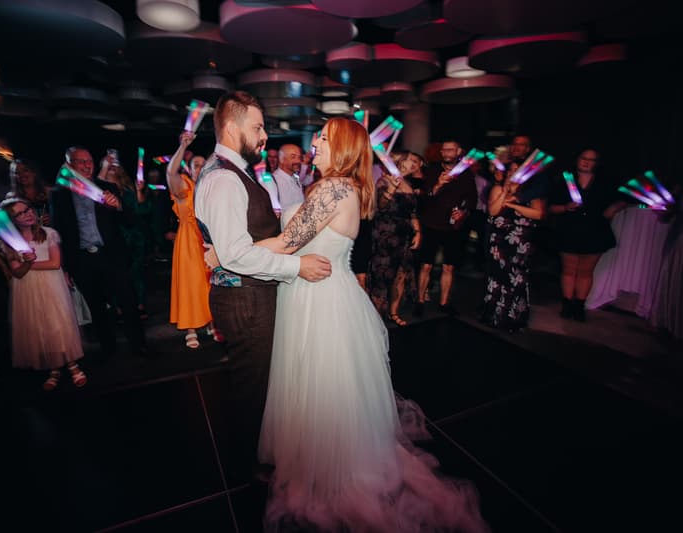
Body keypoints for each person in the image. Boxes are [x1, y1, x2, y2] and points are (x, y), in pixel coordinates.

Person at [229, 118, 488, 532]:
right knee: (323, 384)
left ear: (345, 148)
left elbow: (287, 242)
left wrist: (226, 252)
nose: (315, 142)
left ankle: (327, 470)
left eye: (324, 137)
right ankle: (321, 459)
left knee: (319, 383)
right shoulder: (343, 186)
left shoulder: (333, 187)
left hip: (320, 298)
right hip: (323, 289)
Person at [193, 91, 332, 480]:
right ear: (233, 127)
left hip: (247, 295)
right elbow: (236, 255)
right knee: (251, 386)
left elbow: (233, 245)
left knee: (254, 381)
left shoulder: (232, 172)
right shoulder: (222, 178)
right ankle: (247, 468)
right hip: (244, 298)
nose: (263, 137)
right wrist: (296, 265)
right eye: (257, 128)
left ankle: (252, 455)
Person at [49, 147, 147, 358]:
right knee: (98, 307)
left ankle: (139, 346)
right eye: (80, 161)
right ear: (70, 165)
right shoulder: (59, 195)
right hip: (82, 259)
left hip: (111, 255)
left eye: (89, 161)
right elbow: (58, 232)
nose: (86, 165)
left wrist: (118, 205)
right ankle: (108, 349)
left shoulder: (106, 187)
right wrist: (65, 267)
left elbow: (131, 221)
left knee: (128, 302)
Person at [0, 198, 87, 390]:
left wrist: (29, 263)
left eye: (28, 209)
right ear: (12, 220)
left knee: (58, 324)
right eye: (20, 213)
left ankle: (72, 365)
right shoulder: (8, 242)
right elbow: (17, 272)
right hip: (27, 289)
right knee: (40, 327)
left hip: (51, 285)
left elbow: (54, 263)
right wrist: (26, 263)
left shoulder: (49, 234)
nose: (28, 214)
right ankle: (54, 368)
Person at [548, 149, 627, 321]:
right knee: (569, 269)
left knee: (585, 271)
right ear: (577, 159)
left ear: (596, 163)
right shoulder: (564, 180)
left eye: (591, 160)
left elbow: (624, 197)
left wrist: (614, 208)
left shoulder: (605, 182)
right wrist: (564, 207)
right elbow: (550, 208)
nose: (586, 162)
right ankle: (567, 305)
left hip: (595, 230)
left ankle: (579, 306)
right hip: (569, 229)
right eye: (584, 158)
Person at [480, 164, 547, 332]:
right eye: (510, 170)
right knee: (498, 277)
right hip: (500, 242)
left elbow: (538, 214)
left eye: (517, 170)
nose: (513, 173)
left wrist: (513, 205)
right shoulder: (498, 188)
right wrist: (504, 193)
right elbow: (493, 211)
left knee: (517, 279)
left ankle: (513, 319)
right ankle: (494, 317)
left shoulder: (530, 192)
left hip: (521, 244)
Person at [166, 131, 218, 349]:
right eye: (195, 165)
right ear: (189, 168)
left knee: (210, 282)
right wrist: (183, 146)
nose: (199, 168)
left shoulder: (210, 187)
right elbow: (170, 172)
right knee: (190, 282)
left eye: (202, 165)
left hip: (208, 238)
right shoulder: (184, 187)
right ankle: (190, 327)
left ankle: (211, 322)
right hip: (188, 240)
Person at [415, 140, 477, 316]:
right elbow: (424, 198)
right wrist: (438, 185)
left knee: (449, 267)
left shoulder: (466, 174)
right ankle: (420, 301)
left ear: (459, 152)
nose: (446, 152)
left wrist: (463, 212)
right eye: (444, 149)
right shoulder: (433, 170)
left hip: (453, 227)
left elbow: (473, 200)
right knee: (426, 265)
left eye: (451, 149)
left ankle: (443, 303)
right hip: (431, 224)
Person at [650, 152, 683, 345]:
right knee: (674, 280)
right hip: (677, 241)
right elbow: (667, 217)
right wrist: (661, 210)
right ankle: (670, 325)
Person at [96, 152, 150, 321]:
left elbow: (141, 211)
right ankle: (119, 306)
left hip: (134, 237)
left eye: (114, 164)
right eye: (107, 164)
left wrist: (140, 192)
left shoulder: (128, 189)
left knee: (136, 272)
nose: (112, 166)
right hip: (112, 236)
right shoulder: (99, 188)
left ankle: (139, 304)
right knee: (115, 273)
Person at [369, 157, 421, 325]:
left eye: (416, 162)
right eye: (410, 160)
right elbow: (381, 206)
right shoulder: (383, 180)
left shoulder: (409, 184)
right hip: (386, 234)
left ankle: (393, 312)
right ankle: (376, 318)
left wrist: (418, 232)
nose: (414, 164)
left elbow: (412, 213)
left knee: (401, 274)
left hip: (404, 236)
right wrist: (391, 188)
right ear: (399, 162)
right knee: (382, 276)